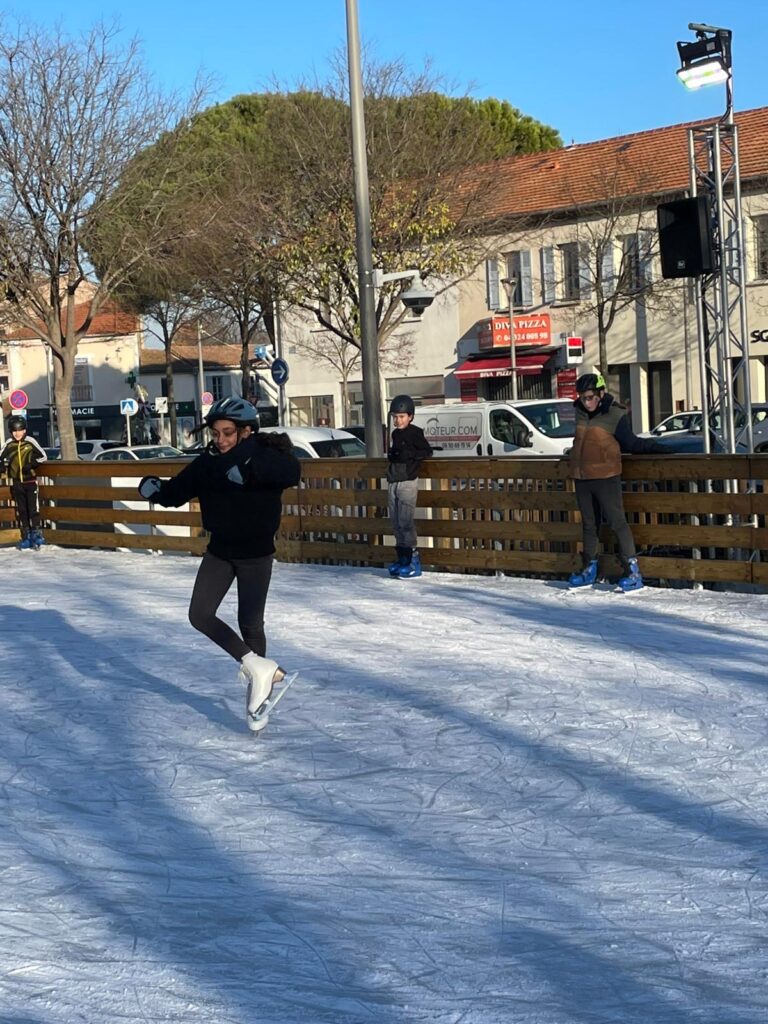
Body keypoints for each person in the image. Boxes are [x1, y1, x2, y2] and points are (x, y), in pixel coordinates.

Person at [136, 397, 301, 734]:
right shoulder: (208, 462)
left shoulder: (266, 453)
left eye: (228, 433)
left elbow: (291, 471)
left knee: (250, 624)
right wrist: (156, 490)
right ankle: (259, 668)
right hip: (220, 552)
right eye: (216, 433)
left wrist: (251, 470)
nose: (220, 439)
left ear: (245, 431)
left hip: (255, 554)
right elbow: (177, 491)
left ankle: (258, 697)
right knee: (199, 614)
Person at [568, 372, 667, 593]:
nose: (587, 401)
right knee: (589, 524)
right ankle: (589, 568)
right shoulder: (579, 413)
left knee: (616, 522)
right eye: (583, 397)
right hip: (582, 477)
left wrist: (656, 446)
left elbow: (630, 443)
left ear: (601, 393)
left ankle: (632, 570)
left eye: (591, 396)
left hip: (606, 476)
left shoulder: (614, 414)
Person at [386, 394, 433, 579]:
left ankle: (414, 561)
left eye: (402, 416)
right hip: (393, 480)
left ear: (410, 416)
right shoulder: (395, 434)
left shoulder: (415, 432)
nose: (398, 420)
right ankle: (402, 559)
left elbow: (427, 451)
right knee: (396, 522)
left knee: (405, 522)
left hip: (407, 480)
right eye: (395, 417)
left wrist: (410, 454)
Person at [0, 415, 47, 550]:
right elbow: (0, 456)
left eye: (20, 430)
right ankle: (26, 535)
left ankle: (37, 534)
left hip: (30, 480)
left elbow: (43, 456)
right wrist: (2, 465)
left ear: (25, 430)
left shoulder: (30, 442)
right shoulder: (9, 444)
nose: (17, 433)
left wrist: (32, 464)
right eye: (14, 431)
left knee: (33, 509)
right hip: (17, 482)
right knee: (22, 509)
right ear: (11, 431)